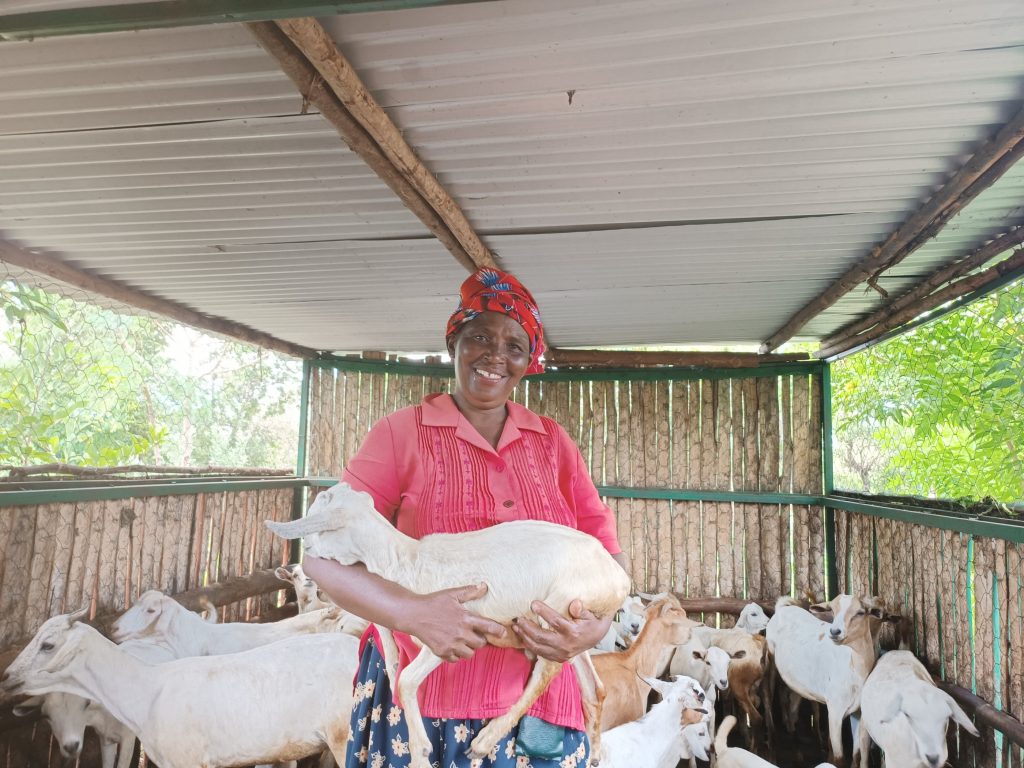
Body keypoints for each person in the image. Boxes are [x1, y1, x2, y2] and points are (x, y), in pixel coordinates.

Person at [304, 267, 628, 768]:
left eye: (514, 346)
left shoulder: (553, 443)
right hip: (420, 697)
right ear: (453, 342)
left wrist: (595, 629)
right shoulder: (399, 434)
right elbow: (320, 558)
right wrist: (410, 613)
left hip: (540, 703)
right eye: (480, 337)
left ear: (528, 361)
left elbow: (606, 555)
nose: (496, 356)